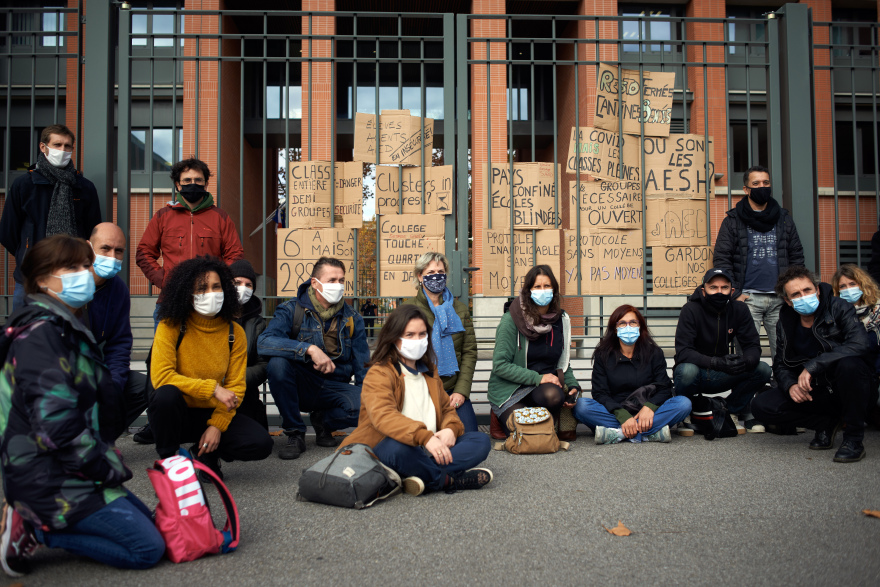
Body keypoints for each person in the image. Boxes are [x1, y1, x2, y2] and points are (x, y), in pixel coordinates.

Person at [0, 235, 164, 576]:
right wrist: (106, 469)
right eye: (72, 267)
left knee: (153, 525)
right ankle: (38, 528)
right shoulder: (42, 334)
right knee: (147, 548)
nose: (85, 273)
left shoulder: (63, 326)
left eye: (86, 266)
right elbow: (57, 425)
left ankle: (47, 521)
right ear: (42, 280)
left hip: (71, 468)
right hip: (47, 477)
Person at [340, 304, 492, 496]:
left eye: (422, 334)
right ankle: (447, 480)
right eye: (409, 335)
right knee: (396, 449)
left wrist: (450, 429)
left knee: (479, 440)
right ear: (394, 337)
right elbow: (384, 417)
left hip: (428, 449)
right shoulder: (380, 372)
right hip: (392, 446)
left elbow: (447, 410)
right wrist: (425, 437)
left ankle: (417, 475)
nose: (417, 340)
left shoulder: (429, 370)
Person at [147, 256, 273, 479]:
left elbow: (236, 387)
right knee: (164, 396)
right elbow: (162, 377)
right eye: (202, 288)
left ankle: (204, 454)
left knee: (260, 443)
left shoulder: (235, 332)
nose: (211, 293)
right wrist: (213, 389)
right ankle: (169, 462)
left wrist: (217, 426)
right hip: (179, 411)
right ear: (187, 292)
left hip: (212, 411)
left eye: (216, 287)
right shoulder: (170, 325)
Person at [753, 266, 874, 463]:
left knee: (850, 365)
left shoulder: (838, 307)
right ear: (788, 301)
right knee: (762, 405)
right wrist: (790, 385)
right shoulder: (785, 321)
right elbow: (781, 364)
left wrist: (813, 365)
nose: (803, 296)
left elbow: (859, 344)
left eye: (807, 290)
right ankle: (825, 423)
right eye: (796, 294)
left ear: (817, 289)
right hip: (815, 391)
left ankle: (853, 439)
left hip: (850, 387)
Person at [258, 257, 369, 460]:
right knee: (277, 365)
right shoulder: (291, 310)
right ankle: (295, 433)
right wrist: (308, 349)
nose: (338, 286)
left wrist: (367, 402)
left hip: (334, 386)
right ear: (315, 283)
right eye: (331, 280)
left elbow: (362, 365)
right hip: (302, 384)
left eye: (341, 280)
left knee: (368, 405)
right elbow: (264, 342)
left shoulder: (353, 318)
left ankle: (323, 422)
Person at [0, 124, 102, 312]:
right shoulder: (24, 185)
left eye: (67, 146)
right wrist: (29, 252)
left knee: (69, 334)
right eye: (57, 145)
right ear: (43, 147)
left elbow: (93, 233)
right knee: (26, 334)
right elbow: (8, 232)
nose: (62, 150)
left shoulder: (84, 187)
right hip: (31, 277)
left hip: (73, 278)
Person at [135, 157, 244, 328]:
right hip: (171, 299)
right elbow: (143, 252)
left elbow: (235, 255)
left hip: (210, 301)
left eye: (198, 180)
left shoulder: (220, 218)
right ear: (178, 185)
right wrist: (164, 280)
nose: (192, 184)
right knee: (167, 353)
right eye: (187, 180)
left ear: (206, 184)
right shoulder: (163, 216)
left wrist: (217, 282)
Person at [713, 165, 805, 361]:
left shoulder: (784, 218)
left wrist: (793, 292)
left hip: (781, 299)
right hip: (748, 299)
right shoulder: (732, 220)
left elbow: (796, 256)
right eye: (756, 184)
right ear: (746, 189)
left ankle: (782, 389)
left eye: (766, 183)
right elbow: (722, 259)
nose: (762, 187)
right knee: (746, 355)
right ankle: (749, 391)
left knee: (785, 353)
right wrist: (736, 293)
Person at [673, 268, 772, 435]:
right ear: (704, 290)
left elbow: (752, 346)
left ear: (731, 291)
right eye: (713, 288)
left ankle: (729, 410)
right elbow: (684, 351)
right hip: (698, 372)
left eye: (724, 288)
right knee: (686, 371)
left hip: (725, 371)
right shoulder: (690, 309)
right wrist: (714, 362)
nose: (719, 292)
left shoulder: (739, 309)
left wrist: (745, 361)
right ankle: (686, 413)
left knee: (763, 369)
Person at [574, 305, 691, 444]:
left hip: (646, 413)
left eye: (633, 322)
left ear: (640, 326)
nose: (628, 327)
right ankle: (648, 434)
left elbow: (664, 387)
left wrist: (649, 408)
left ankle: (617, 434)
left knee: (683, 403)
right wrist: (622, 416)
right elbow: (600, 393)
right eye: (622, 323)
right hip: (615, 412)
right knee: (581, 406)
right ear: (615, 328)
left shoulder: (654, 352)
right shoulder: (603, 355)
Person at [487, 265, 580, 437]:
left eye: (547, 286)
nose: (542, 291)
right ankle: (499, 415)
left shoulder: (562, 320)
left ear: (554, 290)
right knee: (529, 435)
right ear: (528, 291)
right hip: (512, 389)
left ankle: (540, 417)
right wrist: (538, 378)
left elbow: (563, 362)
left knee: (554, 396)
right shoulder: (511, 320)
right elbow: (500, 365)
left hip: (543, 390)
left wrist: (573, 386)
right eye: (537, 287)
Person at [84, 222, 148, 435]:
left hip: (98, 371)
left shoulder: (118, 289)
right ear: (88, 248)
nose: (112, 256)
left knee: (147, 387)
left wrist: (112, 387)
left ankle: (100, 436)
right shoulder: (66, 283)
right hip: (65, 373)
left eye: (118, 251)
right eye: (105, 248)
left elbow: (120, 344)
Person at [405, 252, 479, 433]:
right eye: (430, 272)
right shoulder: (408, 310)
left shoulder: (460, 310)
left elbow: (469, 352)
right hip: (419, 390)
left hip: (452, 389)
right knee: (418, 437)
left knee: (471, 438)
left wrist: (461, 392)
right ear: (420, 276)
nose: (436, 276)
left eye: (441, 271)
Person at [832, 263, 880, 426]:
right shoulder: (836, 313)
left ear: (862, 284)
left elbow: (872, 343)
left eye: (852, 284)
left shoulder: (877, 309)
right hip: (852, 367)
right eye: (843, 286)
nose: (848, 289)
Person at [230, 259, 269, 430]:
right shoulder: (211, 315)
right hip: (210, 391)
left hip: (244, 393)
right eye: (237, 283)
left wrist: (235, 380)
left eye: (248, 284)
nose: (243, 288)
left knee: (259, 444)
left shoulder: (258, 323)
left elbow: (263, 364)